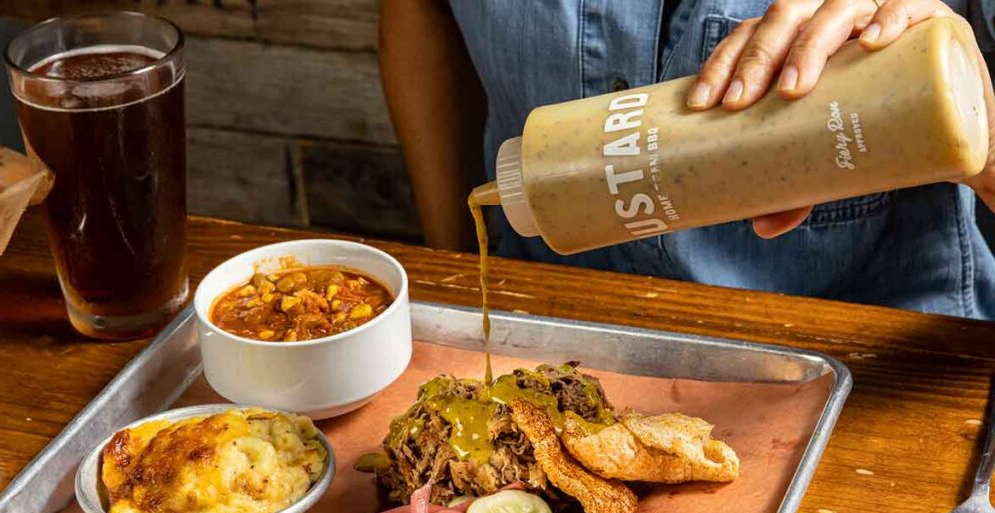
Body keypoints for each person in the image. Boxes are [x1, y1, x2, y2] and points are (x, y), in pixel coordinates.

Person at [379, 0, 995, 320]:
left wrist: (973, 119)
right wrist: (453, 274)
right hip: (548, 324)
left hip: (874, 376)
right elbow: (426, 13)